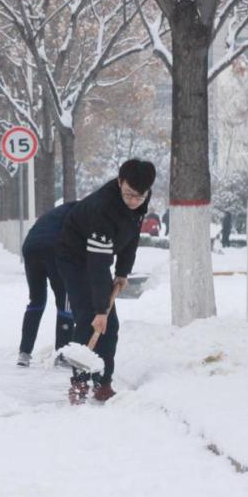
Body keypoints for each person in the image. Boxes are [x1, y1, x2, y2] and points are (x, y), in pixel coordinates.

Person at [56, 158, 155, 404]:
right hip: (74, 258)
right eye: (129, 194)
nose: (134, 201)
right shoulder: (102, 209)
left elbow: (132, 236)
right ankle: (79, 383)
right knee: (89, 318)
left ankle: (103, 383)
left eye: (140, 196)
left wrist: (123, 271)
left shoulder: (140, 196)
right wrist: (101, 310)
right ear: (120, 181)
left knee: (110, 325)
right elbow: (97, 265)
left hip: (99, 257)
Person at [16, 202, 76, 368]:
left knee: (36, 301)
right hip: (53, 249)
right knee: (64, 302)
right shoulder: (83, 213)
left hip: (30, 248)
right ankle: (62, 354)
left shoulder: (58, 211)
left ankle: (24, 353)